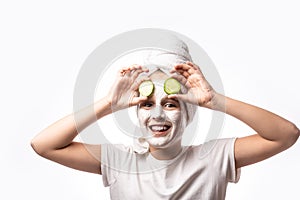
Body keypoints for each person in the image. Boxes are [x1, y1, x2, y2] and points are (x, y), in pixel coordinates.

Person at [31, 37, 299, 200]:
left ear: (189, 110)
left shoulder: (214, 157)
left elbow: (286, 134)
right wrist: (108, 104)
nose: (157, 114)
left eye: (170, 103)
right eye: (147, 104)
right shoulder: (120, 160)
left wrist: (216, 101)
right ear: (136, 110)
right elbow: (43, 145)